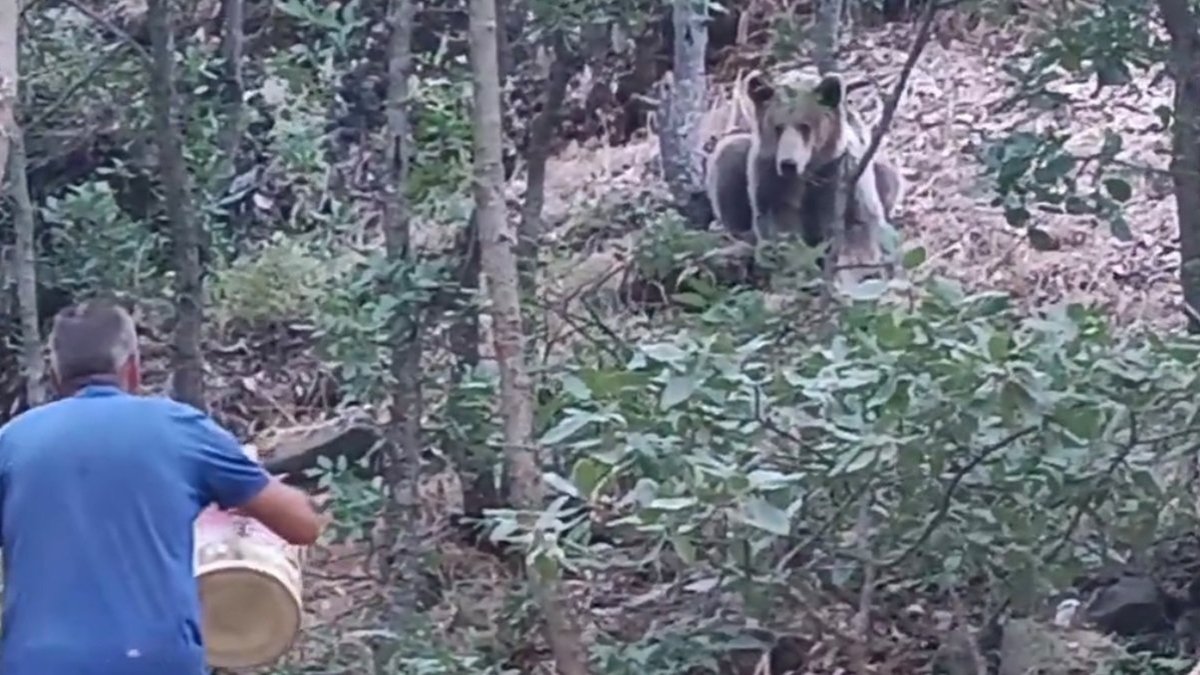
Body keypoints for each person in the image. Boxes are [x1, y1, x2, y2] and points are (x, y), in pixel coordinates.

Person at [0, 298, 324, 674]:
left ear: (56, 376)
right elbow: (302, 525)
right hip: (158, 661)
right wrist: (239, 489)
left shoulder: (11, 443)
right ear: (132, 369)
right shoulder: (180, 429)